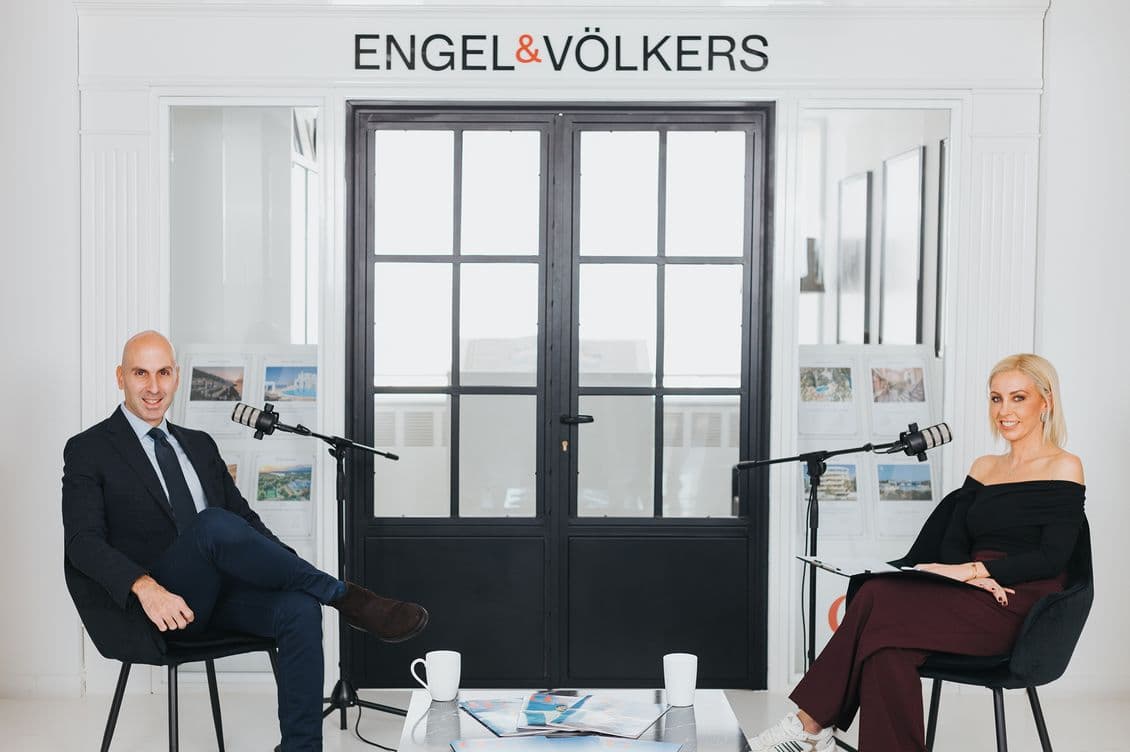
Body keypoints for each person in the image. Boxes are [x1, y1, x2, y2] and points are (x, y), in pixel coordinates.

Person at [62, 330, 428, 752]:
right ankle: (347, 597)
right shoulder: (89, 449)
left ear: (177, 377)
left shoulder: (199, 445)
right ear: (120, 377)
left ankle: (301, 748)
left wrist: (290, 573)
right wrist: (145, 588)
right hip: (156, 612)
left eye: (163, 372)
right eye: (140, 373)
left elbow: (247, 523)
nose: (154, 387)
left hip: (217, 600)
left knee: (299, 608)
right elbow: (82, 542)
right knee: (212, 525)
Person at [750, 353, 1085, 752]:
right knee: (886, 650)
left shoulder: (1064, 466)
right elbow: (955, 541)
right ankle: (813, 729)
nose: (1004, 410)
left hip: (1017, 603)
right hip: (968, 591)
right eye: (996, 399)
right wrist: (960, 572)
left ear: (1045, 401)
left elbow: (1054, 557)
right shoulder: (984, 467)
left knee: (876, 597)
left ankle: (809, 725)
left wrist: (983, 573)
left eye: (1018, 398)